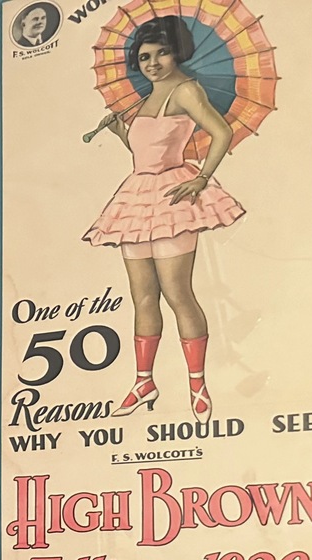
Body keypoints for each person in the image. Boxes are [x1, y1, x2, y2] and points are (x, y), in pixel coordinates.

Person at [83, 15, 243, 420]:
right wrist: (121, 130)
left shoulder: (187, 90)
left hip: (172, 195)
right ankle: (144, 382)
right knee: (142, 296)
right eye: (144, 57)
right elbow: (144, 151)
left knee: (177, 293)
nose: (152, 63)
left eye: (161, 53)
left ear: (176, 53)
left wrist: (203, 178)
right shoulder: (143, 98)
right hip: (136, 197)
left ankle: (197, 385)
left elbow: (221, 133)